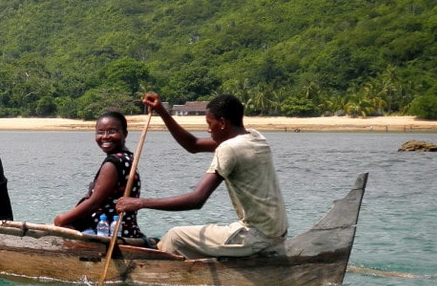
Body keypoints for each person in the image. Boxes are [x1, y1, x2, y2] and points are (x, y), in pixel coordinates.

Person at [116, 92, 288, 259]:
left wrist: (140, 203)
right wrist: (161, 111)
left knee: (175, 236)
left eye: (209, 123)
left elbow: (197, 200)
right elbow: (193, 145)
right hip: (278, 231)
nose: (207, 129)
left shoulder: (229, 149)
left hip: (256, 236)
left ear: (222, 123)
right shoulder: (255, 136)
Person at [53, 111, 146, 240]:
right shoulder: (128, 158)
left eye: (112, 131)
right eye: (100, 132)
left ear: (125, 134)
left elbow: (94, 203)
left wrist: (62, 219)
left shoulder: (113, 163)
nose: (105, 137)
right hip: (128, 229)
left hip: (109, 231)